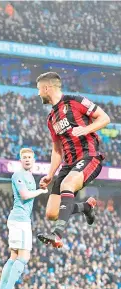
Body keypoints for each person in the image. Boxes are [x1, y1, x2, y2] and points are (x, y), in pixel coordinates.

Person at [35, 72, 110, 248]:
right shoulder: (51, 118)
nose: (38, 94)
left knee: (67, 185)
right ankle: (85, 207)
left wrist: (85, 130)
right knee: (52, 213)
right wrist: (50, 174)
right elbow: (56, 149)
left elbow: (105, 118)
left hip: (89, 156)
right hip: (68, 164)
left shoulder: (75, 101)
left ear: (47, 88)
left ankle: (57, 234)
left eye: (39, 89)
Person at [0, 148, 48, 289]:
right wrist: (40, 191)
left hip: (19, 220)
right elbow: (24, 195)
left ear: (34, 160)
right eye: (24, 157)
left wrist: (39, 187)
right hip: (20, 220)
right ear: (20, 160)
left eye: (29, 157)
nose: (27, 159)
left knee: (13, 257)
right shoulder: (18, 175)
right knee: (23, 257)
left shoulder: (29, 176)